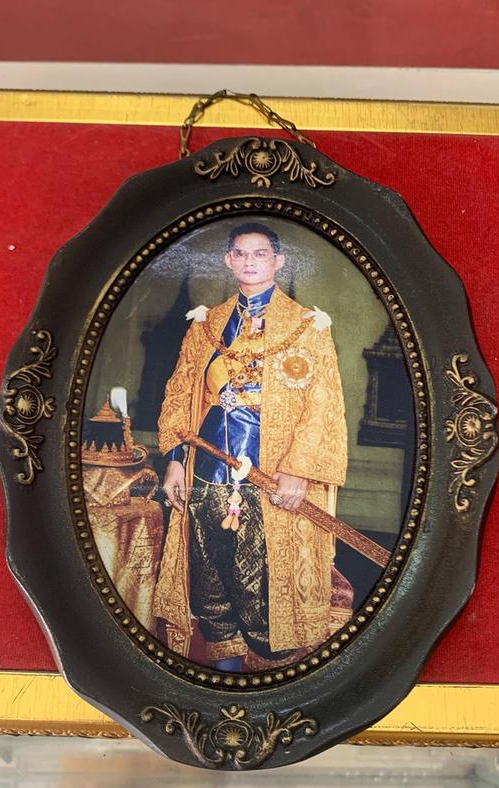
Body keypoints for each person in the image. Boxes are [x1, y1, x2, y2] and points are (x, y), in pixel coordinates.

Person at [153, 222, 350, 671]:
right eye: (240, 254)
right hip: (206, 470)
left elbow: (323, 407)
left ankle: (271, 683)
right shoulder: (205, 326)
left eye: (260, 254)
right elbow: (180, 393)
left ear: (278, 261)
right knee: (210, 582)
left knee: (262, 588)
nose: (249, 262)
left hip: (270, 475)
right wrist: (175, 461)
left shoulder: (308, 327)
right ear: (228, 260)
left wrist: (299, 470)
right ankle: (225, 679)